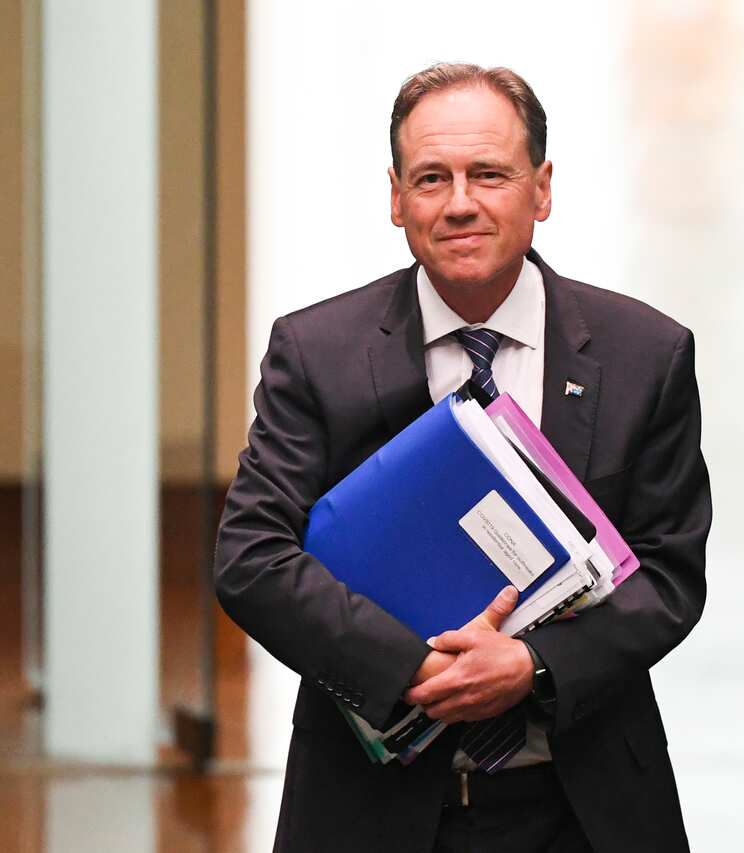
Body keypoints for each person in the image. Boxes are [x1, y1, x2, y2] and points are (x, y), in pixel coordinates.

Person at [214, 62, 712, 852]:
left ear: (541, 189)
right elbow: (251, 558)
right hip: (367, 809)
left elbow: (669, 573)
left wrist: (531, 665)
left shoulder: (644, 354)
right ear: (394, 196)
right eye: (431, 178)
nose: (459, 204)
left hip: (582, 807)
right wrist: (413, 667)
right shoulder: (317, 353)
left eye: (489, 174)